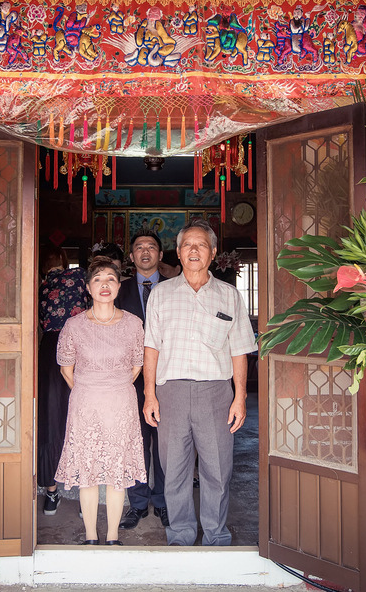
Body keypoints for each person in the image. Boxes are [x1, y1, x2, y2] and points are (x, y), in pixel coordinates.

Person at [142, 220, 257, 546]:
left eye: (201, 245)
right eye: (187, 245)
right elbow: (151, 346)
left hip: (215, 393)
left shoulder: (229, 295)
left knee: (217, 471)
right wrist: (150, 394)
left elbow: (239, 350)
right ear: (177, 252)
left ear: (213, 252)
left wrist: (240, 396)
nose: (194, 250)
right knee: (174, 471)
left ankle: (216, 537)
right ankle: (180, 536)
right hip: (171, 392)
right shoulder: (161, 294)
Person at [55, 256, 147, 545]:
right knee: (89, 470)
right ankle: (92, 536)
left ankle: (112, 536)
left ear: (119, 286)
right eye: (97, 280)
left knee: (116, 470)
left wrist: (112, 385)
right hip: (86, 404)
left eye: (110, 279)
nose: (104, 285)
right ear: (88, 287)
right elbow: (66, 369)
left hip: (121, 402)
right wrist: (90, 387)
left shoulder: (134, 324)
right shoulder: (74, 325)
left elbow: (137, 365)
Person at [114, 230, 169, 529]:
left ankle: (162, 501)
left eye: (151, 247)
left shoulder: (176, 289)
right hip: (128, 381)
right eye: (139, 247)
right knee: (134, 442)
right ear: (132, 257)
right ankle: (137, 503)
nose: (145, 251)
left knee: (165, 445)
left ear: (161, 255)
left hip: (167, 378)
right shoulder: (117, 291)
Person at [37, 245, 87, 515]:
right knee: (81, 418)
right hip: (79, 346)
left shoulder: (40, 284)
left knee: (51, 418)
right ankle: (84, 496)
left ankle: (51, 491)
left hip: (49, 351)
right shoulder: (80, 277)